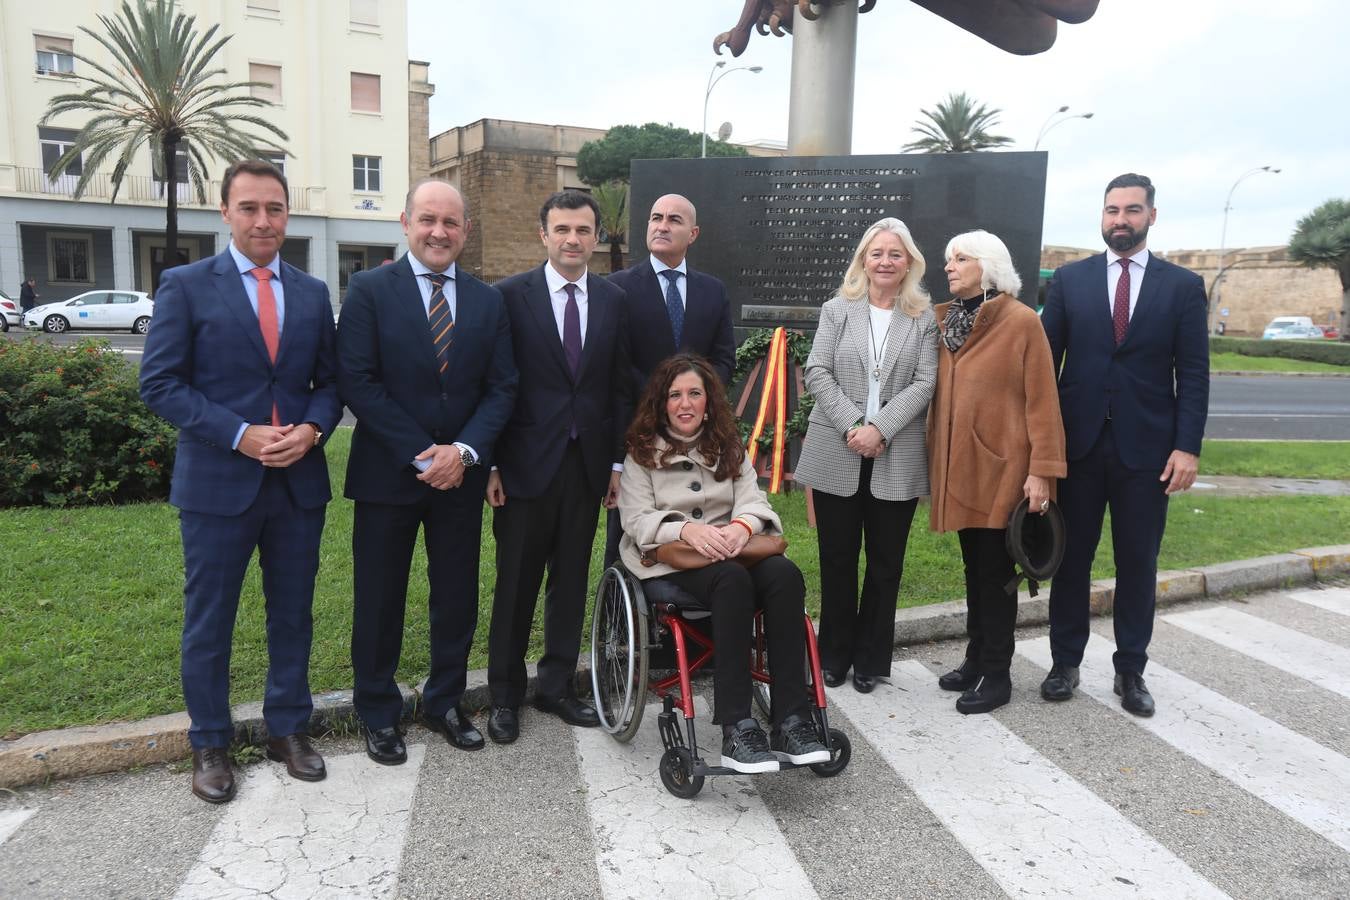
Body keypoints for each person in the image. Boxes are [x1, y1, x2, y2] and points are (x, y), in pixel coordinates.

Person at [140, 159, 342, 803]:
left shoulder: (311, 293)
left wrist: (311, 430)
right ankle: (211, 742)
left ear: (288, 215)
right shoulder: (186, 284)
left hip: (297, 484)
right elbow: (161, 383)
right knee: (210, 619)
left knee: (293, 615)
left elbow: (330, 385)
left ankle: (288, 729)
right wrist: (239, 433)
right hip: (217, 486)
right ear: (224, 212)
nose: (263, 220)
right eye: (250, 208)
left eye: (275, 208)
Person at [338, 179, 517, 761]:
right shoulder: (368, 289)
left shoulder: (488, 301)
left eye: (451, 222)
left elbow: (501, 388)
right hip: (389, 476)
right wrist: (424, 454)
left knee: (456, 596)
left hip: (460, 480)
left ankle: (445, 700)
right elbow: (358, 382)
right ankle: (378, 710)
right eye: (427, 220)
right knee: (380, 597)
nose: (439, 232)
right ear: (406, 222)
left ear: (466, 230)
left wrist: (461, 454)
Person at [1039, 173, 1209, 717]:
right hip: (1079, 447)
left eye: (1132, 210)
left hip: (1149, 454)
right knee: (1071, 560)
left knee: (1138, 562)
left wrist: (1187, 447)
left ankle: (1130, 670)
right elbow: (1043, 367)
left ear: (1151, 216)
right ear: (1102, 217)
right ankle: (1065, 662)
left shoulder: (1181, 287)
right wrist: (1041, 449)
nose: (1121, 219)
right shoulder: (1070, 280)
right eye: (1112, 210)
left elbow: (1195, 375)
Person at [619, 353, 830, 773]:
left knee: (784, 575)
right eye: (675, 395)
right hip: (672, 564)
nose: (685, 404)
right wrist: (684, 530)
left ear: (708, 400)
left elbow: (754, 500)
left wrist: (741, 526)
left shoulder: (729, 447)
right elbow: (636, 518)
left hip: (731, 550)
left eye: (694, 393)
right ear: (662, 403)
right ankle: (737, 726)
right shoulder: (642, 453)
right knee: (732, 581)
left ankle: (791, 718)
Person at [485, 190, 630, 744]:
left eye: (584, 230)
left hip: (586, 465)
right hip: (522, 467)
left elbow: (617, 389)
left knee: (570, 583)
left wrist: (615, 463)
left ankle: (555, 686)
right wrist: (493, 462)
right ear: (543, 234)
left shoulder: (613, 301)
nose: (573, 239)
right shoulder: (510, 297)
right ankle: (504, 694)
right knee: (516, 583)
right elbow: (497, 385)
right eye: (562, 229)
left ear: (596, 237)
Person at [794, 218, 938, 694]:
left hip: (896, 453)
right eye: (877, 253)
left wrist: (881, 428)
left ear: (909, 262)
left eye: (895, 254)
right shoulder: (838, 309)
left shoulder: (923, 316)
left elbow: (925, 382)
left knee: (885, 563)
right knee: (836, 559)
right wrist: (855, 426)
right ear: (863, 258)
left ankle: (872, 659)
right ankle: (833, 655)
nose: (885, 262)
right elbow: (816, 370)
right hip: (837, 447)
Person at [927, 230, 1066, 714]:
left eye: (961, 258)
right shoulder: (945, 320)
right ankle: (975, 658)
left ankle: (997, 672)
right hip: (958, 467)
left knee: (995, 574)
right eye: (949, 258)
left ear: (987, 265)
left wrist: (1043, 473)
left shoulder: (1021, 321)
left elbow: (1044, 402)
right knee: (974, 569)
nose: (949, 266)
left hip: (1004, 468)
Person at [605, 193, 737, 566]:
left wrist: (696, 399)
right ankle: (619, 612)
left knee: (697, 520)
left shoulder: (713, 290)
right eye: (655, 217)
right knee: (627, 532)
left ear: (692, 233)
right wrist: (661, 401)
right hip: (636, 431)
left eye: (674, 220)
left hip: (696, 436)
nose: (662, 225)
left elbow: (724, 357)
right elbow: (615, 362)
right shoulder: (617, 288)